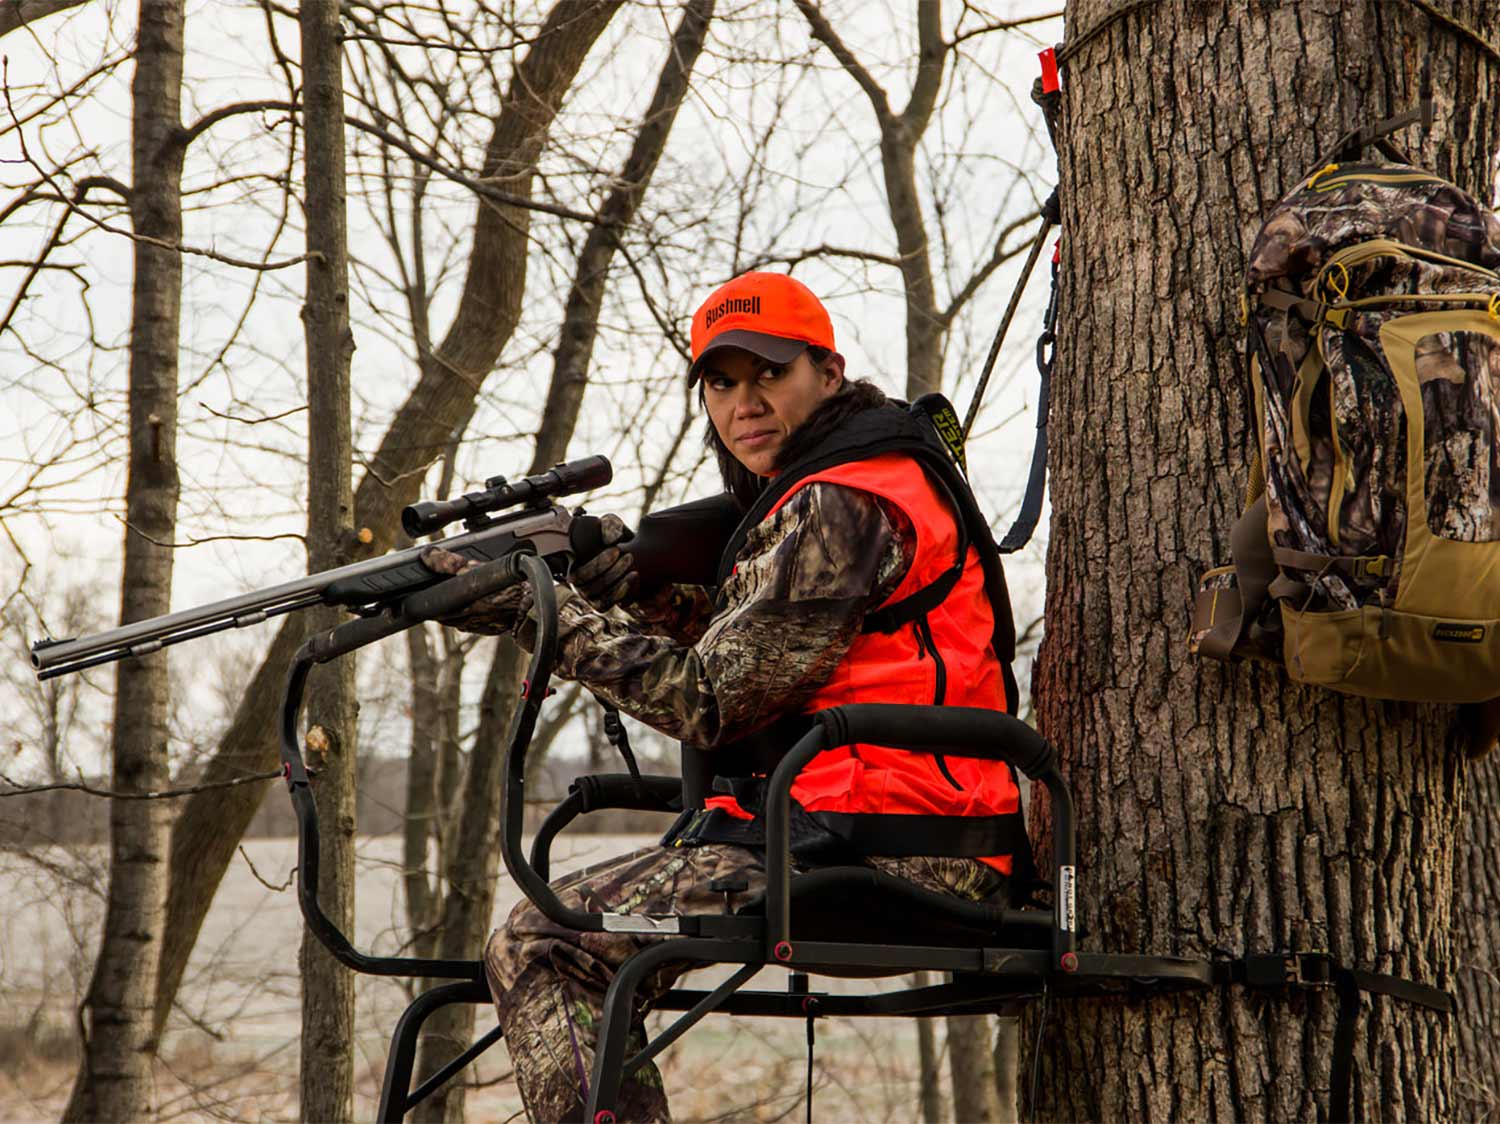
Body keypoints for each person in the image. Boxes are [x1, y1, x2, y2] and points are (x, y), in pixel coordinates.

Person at [422, 271, 1026, 1123]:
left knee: (548, 943)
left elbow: (709, 701)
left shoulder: (844, 501)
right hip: (862, 828)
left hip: (900, 846)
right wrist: (629, 591)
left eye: (770, 374)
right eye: (721, 382)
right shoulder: (842, 482)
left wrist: (542, 612)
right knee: (558, 938)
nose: (745, 403)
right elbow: (769, 649)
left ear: (828, 371)